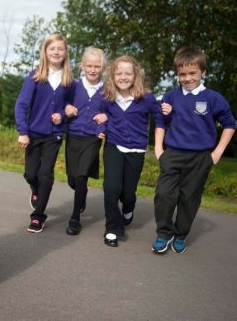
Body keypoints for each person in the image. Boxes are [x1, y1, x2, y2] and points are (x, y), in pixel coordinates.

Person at [152, 47, 236, 254]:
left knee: (189, 199)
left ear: (203, 72)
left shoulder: (213, 98)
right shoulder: (170, 97)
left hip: (200, 157)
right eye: (182, 74)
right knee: (164, 195)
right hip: (172, 154)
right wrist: (158, 149)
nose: (187, 78)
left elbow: (230, 125)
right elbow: (160, 122)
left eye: (192, 73)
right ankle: (164, 234)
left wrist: (216, 153)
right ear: (177, 74)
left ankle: (180, 235)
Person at [97, 55, 164, 247]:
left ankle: (128, 208)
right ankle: (112, 229)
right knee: (111, 188)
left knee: (127, 193)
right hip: (113, 146)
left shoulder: (147, 98)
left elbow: (160, 116)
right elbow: (98, 116)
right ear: (112, 75)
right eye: (119, 73)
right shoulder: (107, 98)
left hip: (136, 150)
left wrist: (167, 110)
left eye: (128, 73)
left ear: (135, 76)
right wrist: (101, 126)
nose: (123, 77)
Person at [14, 34, 74, 233]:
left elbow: (70, 106)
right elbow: (21, 105)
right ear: (45, 52)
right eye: (52, 49)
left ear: (65, 53)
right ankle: (35, 190)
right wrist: (23, 131)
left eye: (60, 49)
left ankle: (38, 216)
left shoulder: (69, 81)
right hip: (33, 134)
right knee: (31, 174)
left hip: (54, 135)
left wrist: (62, 116)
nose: (56, 52)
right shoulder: (35, 77)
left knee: (45, 174)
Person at [64, 46, 107, 235]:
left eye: (97, 66)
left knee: (82, 176)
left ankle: (75, 218)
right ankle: (81, 193)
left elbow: (112, 111)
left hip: (92, 138)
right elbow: (60, 102)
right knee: (73, 179)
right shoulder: (73, 85)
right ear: (82, 65)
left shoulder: (107, 90)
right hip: (73, 135)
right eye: (89, 65)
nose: (92, 69)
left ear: (102, 68)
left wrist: (106, 120)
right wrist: (66, 107)